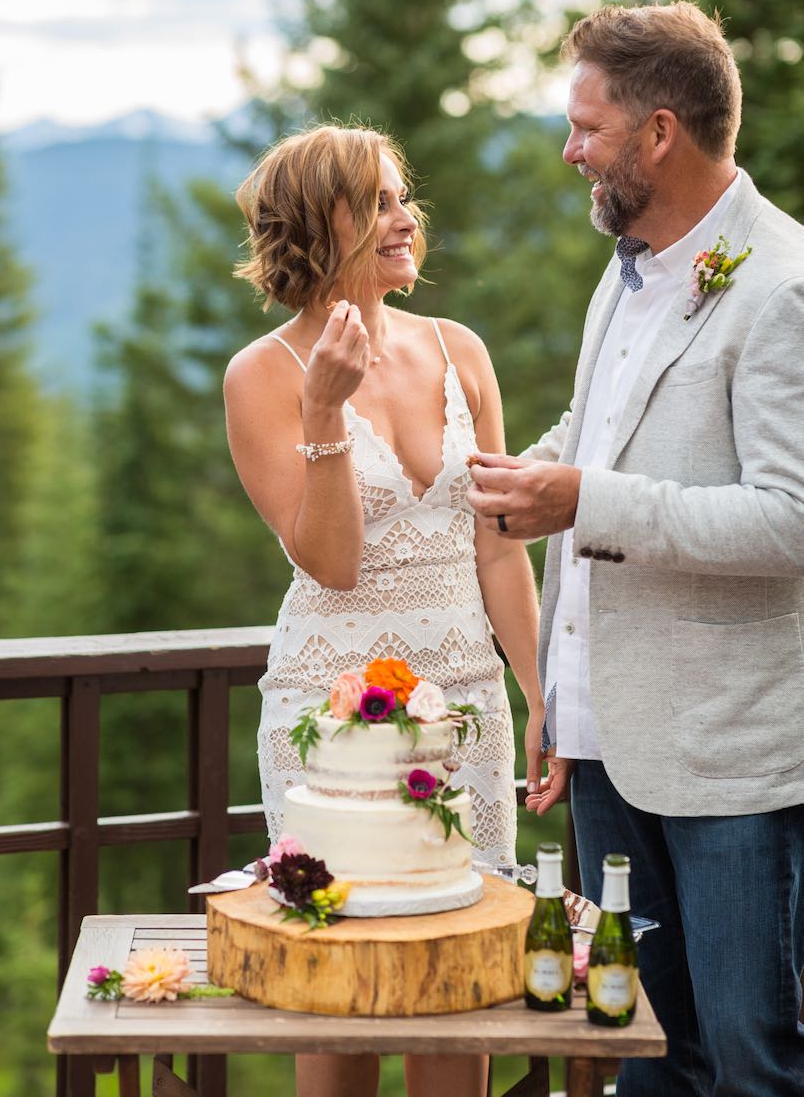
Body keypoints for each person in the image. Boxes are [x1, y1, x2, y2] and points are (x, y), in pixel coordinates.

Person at [468, 0, 804, 1096]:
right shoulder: (624, 270)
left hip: (729, 761)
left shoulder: (780, 285)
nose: (568, 151)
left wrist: (586, 498)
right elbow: (595, 438)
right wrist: (528, 475)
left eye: (585, 127)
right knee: (641, 1052)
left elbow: (787, 518)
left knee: (750, 1061)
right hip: (605, 742)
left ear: (658, 132)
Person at [224, 124, 541, 1097]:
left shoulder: (460, 350)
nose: (408, 221)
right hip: (330, 714)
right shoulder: (260, 374)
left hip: (466, 709)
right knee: (341, 978)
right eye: (381, 203)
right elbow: (333, 561)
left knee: (458, 982)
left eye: (406, 198)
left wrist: (541, 699)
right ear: (325, 224)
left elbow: (497, 547)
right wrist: (323, 415)